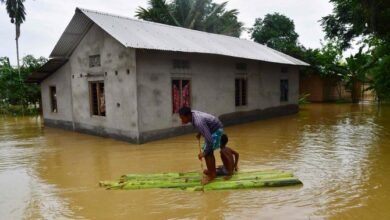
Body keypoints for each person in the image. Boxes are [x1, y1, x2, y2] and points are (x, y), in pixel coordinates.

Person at [178, 107, 224, 184]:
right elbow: (206, 125)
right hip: (211, 129)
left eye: (182, 118)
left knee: (208, 152)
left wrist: (204, 153)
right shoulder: (192, 114)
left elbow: (210, 140)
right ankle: (211, 171)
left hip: (216, 130)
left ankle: (212, 175)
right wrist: (200, 132)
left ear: (188, 115)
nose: (182, 121)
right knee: (207, 151)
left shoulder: (198, 122)